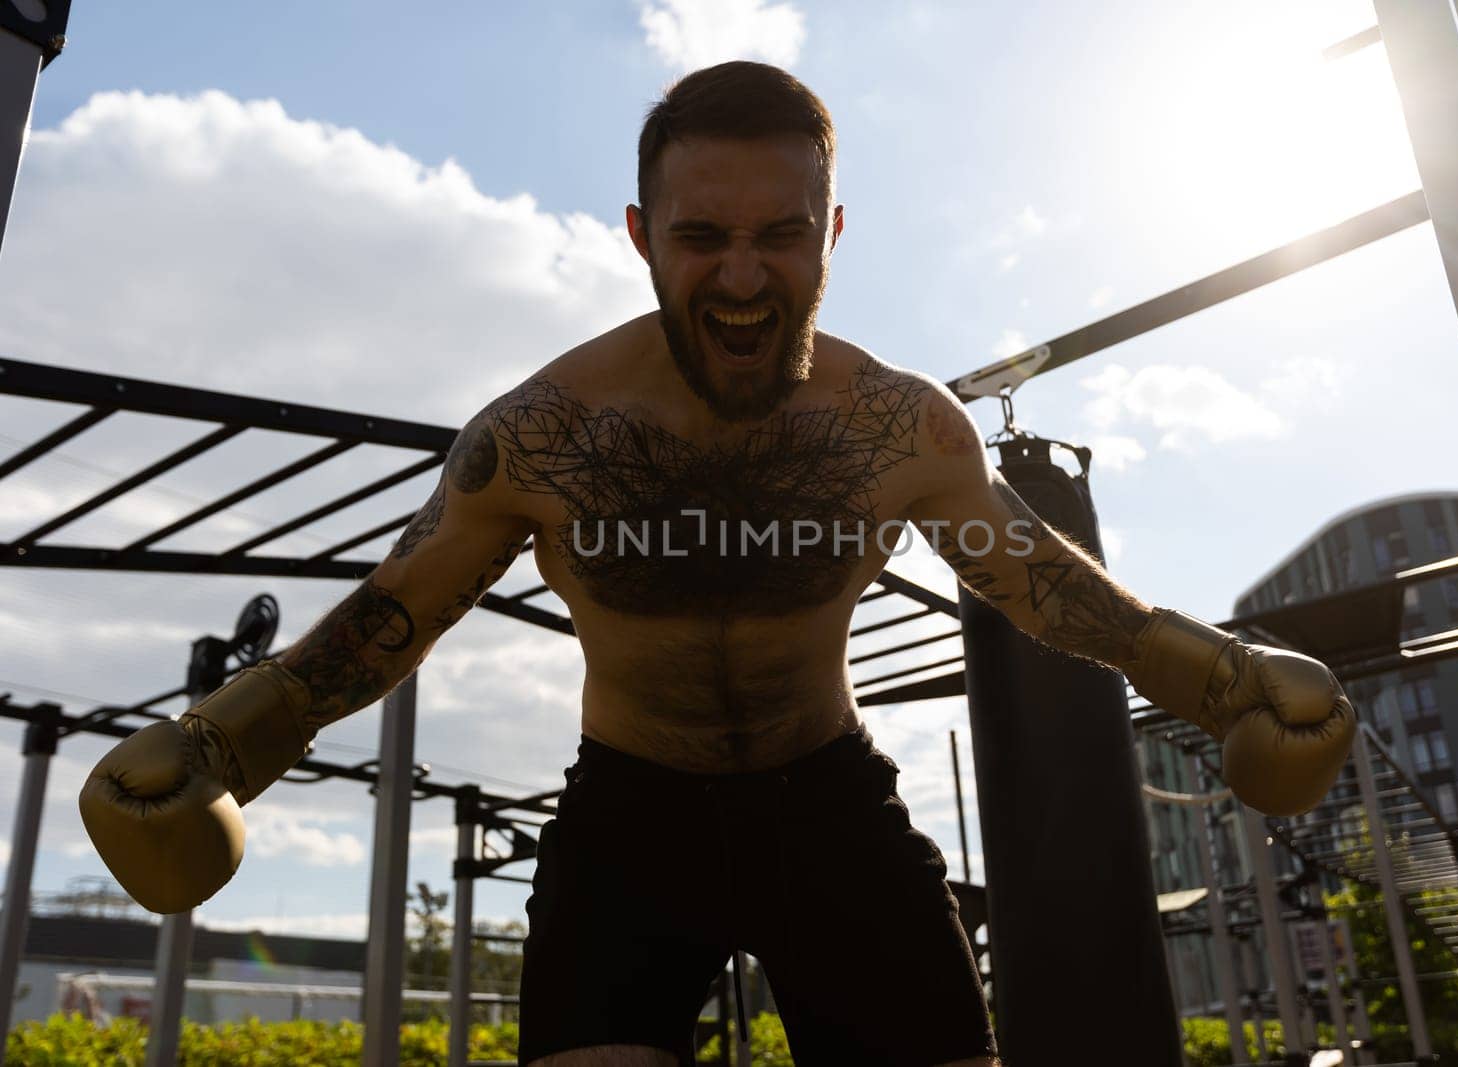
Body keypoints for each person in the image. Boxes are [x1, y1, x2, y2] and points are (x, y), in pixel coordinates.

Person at [80, 62, 1354, 1067]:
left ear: (833, 232)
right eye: (702, 238)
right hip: (631, 818)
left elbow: (1040, 584)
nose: (743, 278)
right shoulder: (540, 434)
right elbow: (395, 614)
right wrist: (224, 743)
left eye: (781, 236)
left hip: (833, 809)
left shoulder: (895, 431)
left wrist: (1221, 678)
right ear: (641, 234)